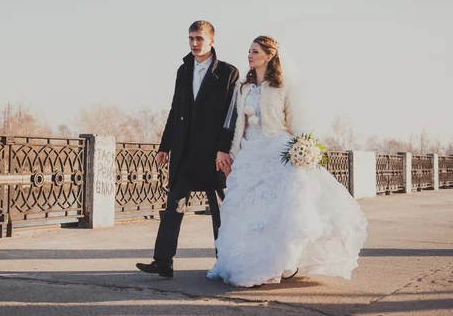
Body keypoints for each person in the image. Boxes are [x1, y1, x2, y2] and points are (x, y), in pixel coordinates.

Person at [207, 35, 368, 287]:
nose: (250, 55)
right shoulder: (244, 88)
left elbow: (294, 123)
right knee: (245, 211)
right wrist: (229, 152)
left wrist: (302, 149)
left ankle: (279, 262)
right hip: (250, 153)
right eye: (249, 51)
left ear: (269, 56)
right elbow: (236, 124)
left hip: (276, 150)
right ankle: (247, 262)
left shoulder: (282, 87)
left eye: (255, 52)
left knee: (278, 210)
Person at [136, 20, 239, 278]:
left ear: (212, 41)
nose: (194, 43)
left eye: (199, 39)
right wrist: (165, 146)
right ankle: (163, 262)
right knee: (173, 206)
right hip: (184, 152)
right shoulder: (183, 70)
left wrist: (223, 150)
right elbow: (175, 110)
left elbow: (232, 116)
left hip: (213, 154)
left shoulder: (228, 73)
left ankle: (225, 262)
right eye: (191, 38)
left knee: (220, 212)